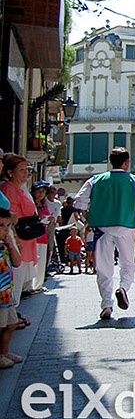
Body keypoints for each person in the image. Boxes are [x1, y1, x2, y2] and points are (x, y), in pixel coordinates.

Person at [74, 147, 135, 320]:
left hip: (102, 228)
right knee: (128, 264)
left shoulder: (95, 180)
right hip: (126, 226)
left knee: (104, 267)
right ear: (126, 162)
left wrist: (90, 218)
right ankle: (123, 288)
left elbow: (79, 203)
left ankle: (106, 305)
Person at [1, 155, 38, 329]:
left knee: (17, 283)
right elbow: (11, 219)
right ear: (10, 172)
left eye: (27, 170)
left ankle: (11, 322)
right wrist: (14, 240)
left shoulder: (21, 189)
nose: (26, 174)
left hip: (24, 240)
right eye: (21, 170)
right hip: (18, 241)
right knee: (13, 283)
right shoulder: (9, 190)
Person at [0, 201, 24, 369]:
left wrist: (10, 244)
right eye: (1, 226)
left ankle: (4, 351)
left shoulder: (5, 246)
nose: (5, 230)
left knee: (12, 323)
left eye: (7, 226)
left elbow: (17, 262)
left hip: (8, 293)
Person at [28, 181, 52, 291]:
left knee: (42, 262)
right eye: (39, 191)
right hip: (34, 237)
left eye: (43, 191)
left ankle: (38, 285)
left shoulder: (44, 204)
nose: (41, 193)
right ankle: (31, 286)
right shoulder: (31, 203)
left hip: (43, 236)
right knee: (33, 262)